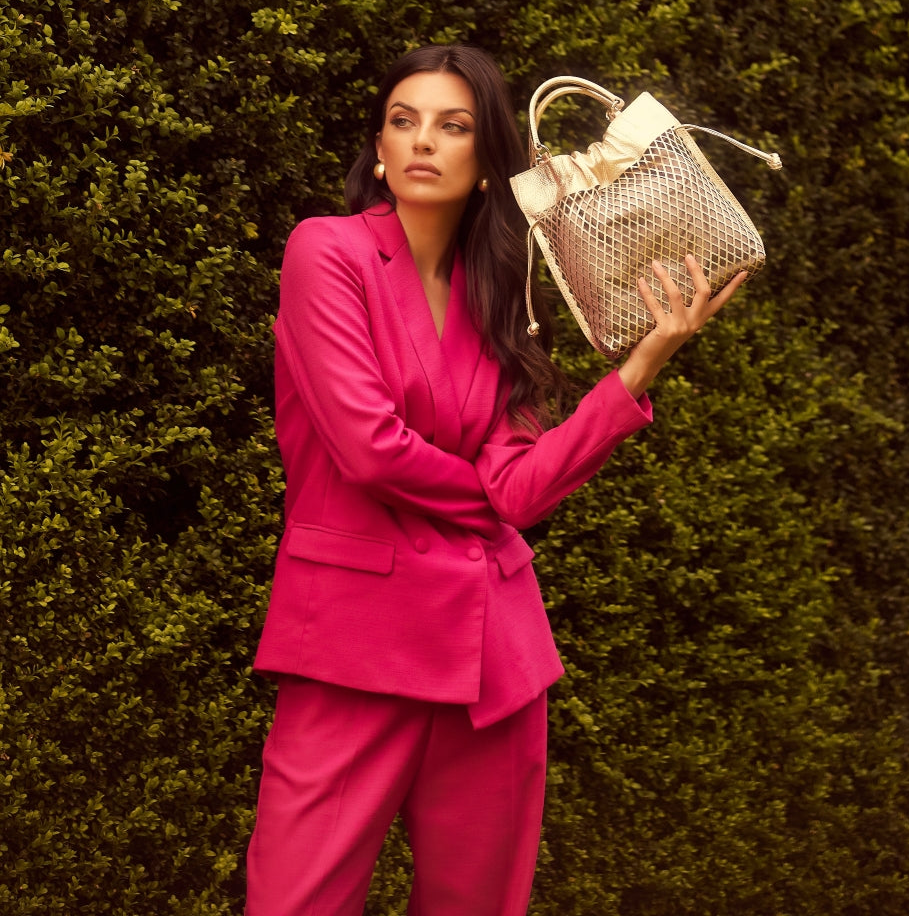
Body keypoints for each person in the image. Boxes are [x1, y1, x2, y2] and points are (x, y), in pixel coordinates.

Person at [246, 44, 747, 916]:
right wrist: (483, 500)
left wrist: (638, 369)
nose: (422, 142)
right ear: (377, 148)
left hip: (494, 666)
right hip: (352, 656)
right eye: (403, 122)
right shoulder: (325, 254)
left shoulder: (502, 295)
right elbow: (368, 448)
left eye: (453, 125)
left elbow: (521, 492)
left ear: (488, 163)